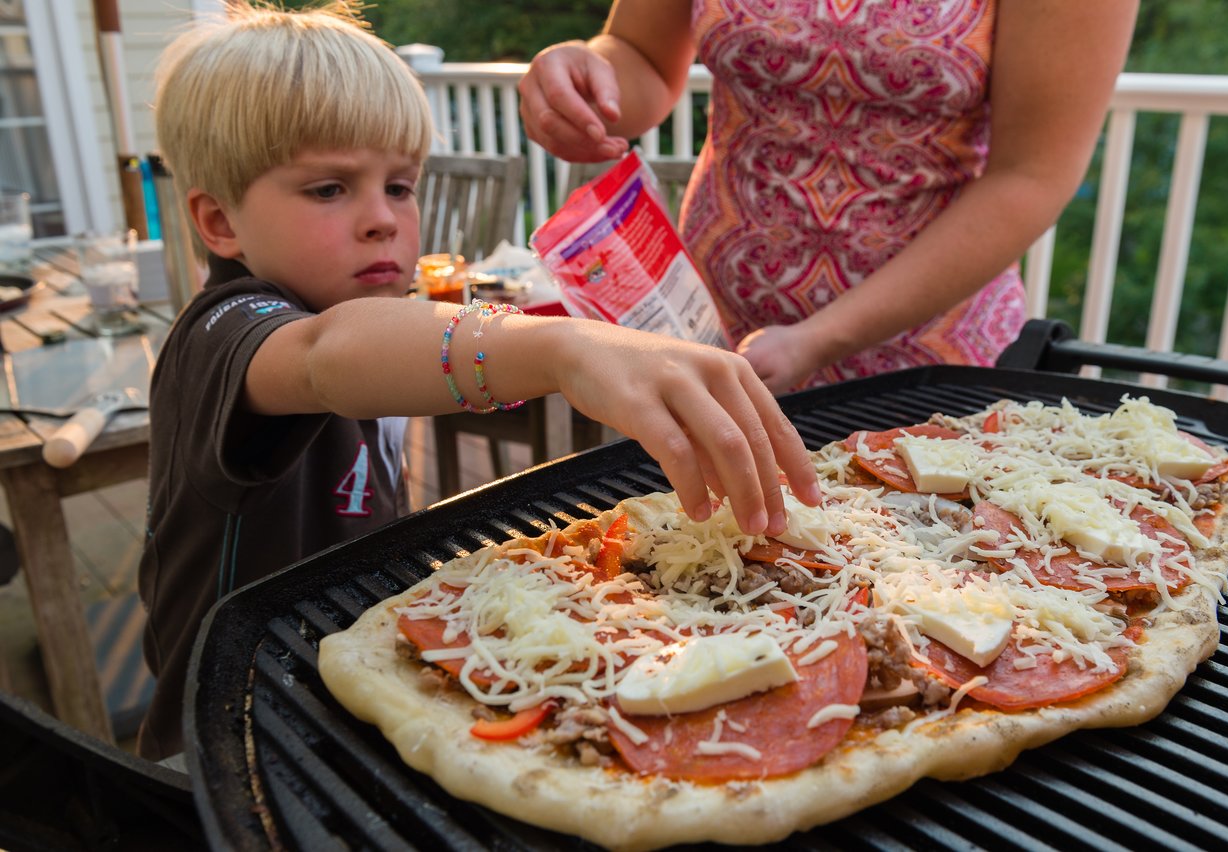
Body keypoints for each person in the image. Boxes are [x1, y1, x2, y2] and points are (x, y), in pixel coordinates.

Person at [137, 0, 820, 763]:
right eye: (329, 189)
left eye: (400, 186)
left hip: (329, 704)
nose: (381, 219)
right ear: (219, 222)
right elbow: (328, 357)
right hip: (224, 735)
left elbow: (394, 340)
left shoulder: (366, 306)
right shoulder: (224, 332)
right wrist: (562, 348)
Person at [519, 0, 1139, 391]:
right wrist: (584, 79)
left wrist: (821, 338)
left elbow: (1031, 174)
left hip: (927, 357)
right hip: (716, 332)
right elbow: (644, 60)